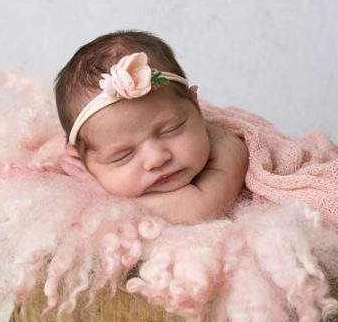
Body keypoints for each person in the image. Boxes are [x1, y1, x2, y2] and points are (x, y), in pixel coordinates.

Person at [54, 31, 248, 225]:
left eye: (171, 130)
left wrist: (101, 193)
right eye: (123, 154)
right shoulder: (77, 160)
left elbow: (198, 210)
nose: (156, 159)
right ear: (80, 159)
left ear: (196, 105)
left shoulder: (228, 148)